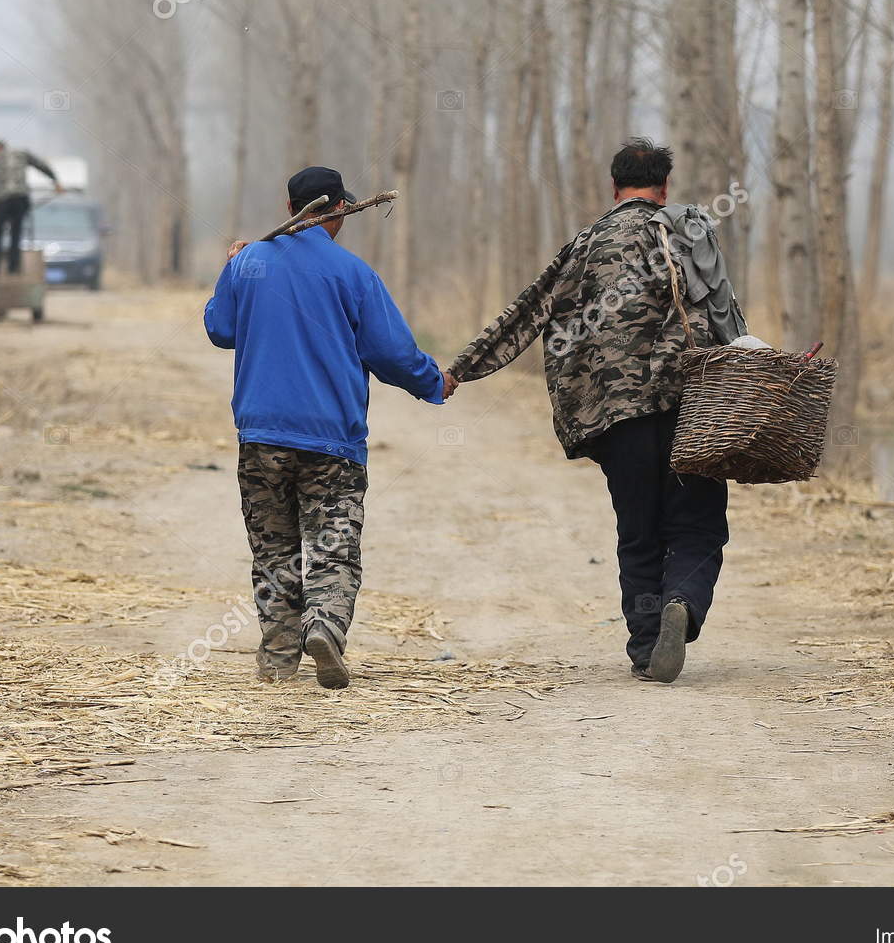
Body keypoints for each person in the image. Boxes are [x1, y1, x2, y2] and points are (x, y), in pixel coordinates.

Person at [446, 138, 746, 683]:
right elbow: (727, 315)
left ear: (614, 188)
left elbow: (525, 315)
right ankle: (682, 600)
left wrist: (460, 371)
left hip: (616, 415)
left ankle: (646, 645)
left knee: (638, 532)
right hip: (691, 409)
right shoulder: (690, 234)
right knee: (698, 525)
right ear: (664, 188)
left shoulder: (585, 245)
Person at [205, 166, 452, 689]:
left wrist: (228, 269)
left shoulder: (248, 262)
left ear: (288, 204)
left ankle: (276, 657)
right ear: (340, 208)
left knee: (273, 549)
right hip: (332, 442)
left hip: (261, 437)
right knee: (331, 545)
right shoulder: (354, 274)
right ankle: (325, 628)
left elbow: (220, 329)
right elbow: (392, 353)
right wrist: (435, 381)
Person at [0, 140, 61, 275]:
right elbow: (41, 165)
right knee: (16, 233)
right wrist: (55, 181)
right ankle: (13, 268)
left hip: (3, 200)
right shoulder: (22, 154)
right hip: (20, 199)